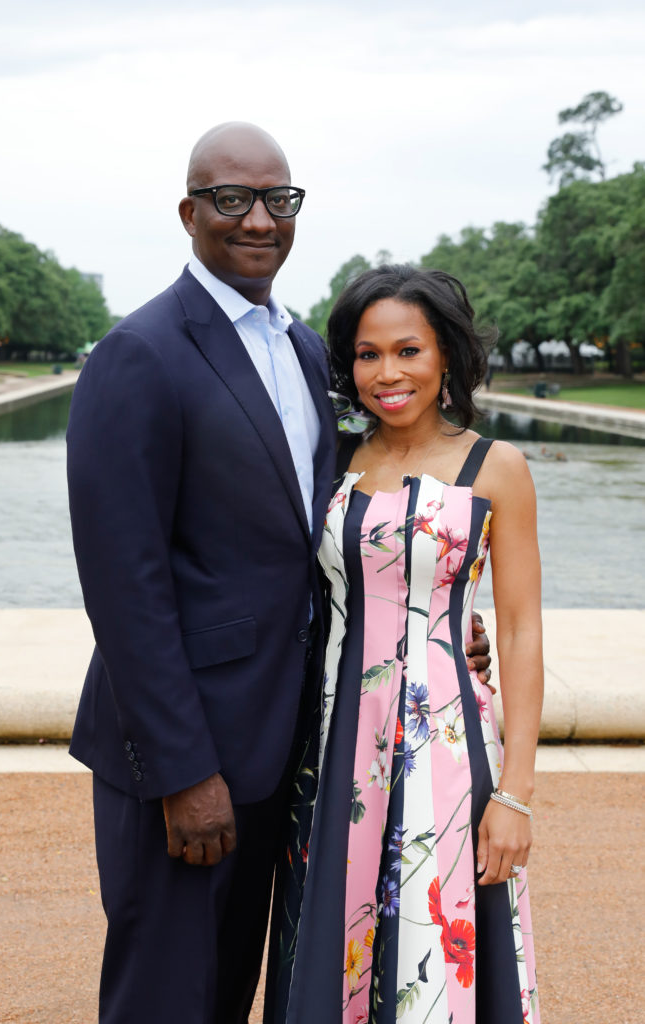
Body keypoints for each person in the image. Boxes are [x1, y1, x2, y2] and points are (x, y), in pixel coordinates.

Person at [67, 124, 492, 1024]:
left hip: (287, 742)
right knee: (163, 996)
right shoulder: (138, 355)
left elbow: (321, 520)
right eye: (232, 199)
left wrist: (432, 607)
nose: (258, 219)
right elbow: (123, 583)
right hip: (188, 756)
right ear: (189, 212)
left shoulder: (300, 348)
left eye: (278, 200)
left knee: (229, 988)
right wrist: (184, 773)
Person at [267, 266, 542, 1024]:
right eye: (365, 354)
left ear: (444, 356)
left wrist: (514, 793)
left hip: (446, 751)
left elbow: (518, 631)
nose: (386, 374)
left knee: (435, 948)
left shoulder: (498, 468)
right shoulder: (332, 463)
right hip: (328, 752)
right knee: (330, 946)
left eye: (407, 350)